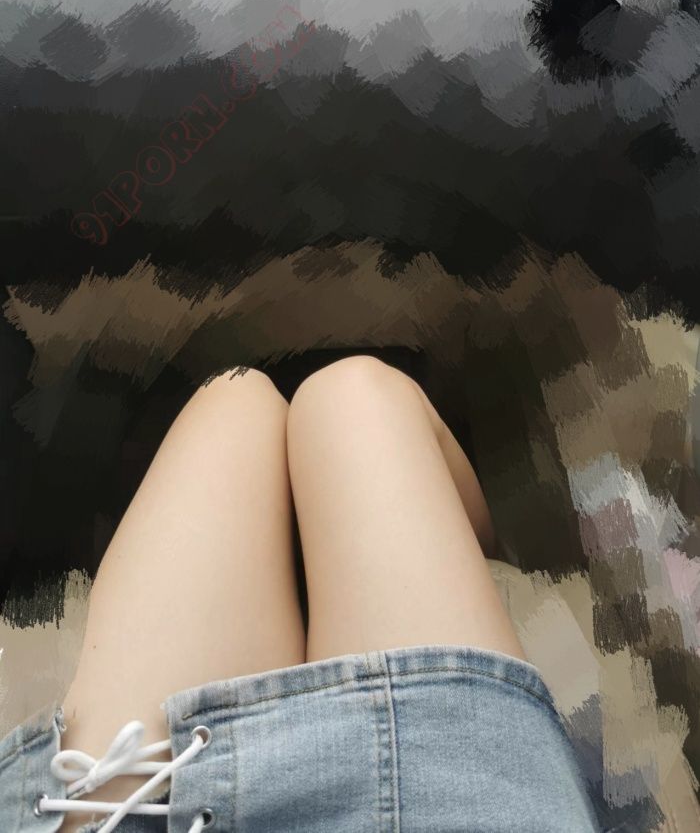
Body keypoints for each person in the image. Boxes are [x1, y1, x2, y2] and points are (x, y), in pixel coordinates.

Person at [0, 355, 601, 832]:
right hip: (441, 804)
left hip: (134, 810)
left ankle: (334, 556)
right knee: (353, 395)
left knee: (236, 399)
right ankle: (478, 566)